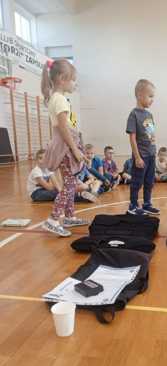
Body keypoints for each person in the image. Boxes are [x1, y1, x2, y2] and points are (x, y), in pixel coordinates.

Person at [41, 58, 89, 236]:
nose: (75, 83)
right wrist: (75, 149)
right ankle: (53, 220)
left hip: (65, 142)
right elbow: (63, 127)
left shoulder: (56, 98)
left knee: (71, 181)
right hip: (65, 145)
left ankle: (69, 216)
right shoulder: (59, 99)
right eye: (73, 79)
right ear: (62, 79)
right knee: (69, 185)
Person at [126, 79, 160, 215]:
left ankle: (146, 203)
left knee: (149, 182)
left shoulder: (149, 115)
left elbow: (150, 136)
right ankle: (133, 205)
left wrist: (154, 154)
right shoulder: (133, 115)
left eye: (153, 97)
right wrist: (138, 157)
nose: (152, 100)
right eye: (150, 96)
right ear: (140, 95)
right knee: (137, 181)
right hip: (141, 156)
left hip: (151, 155)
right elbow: (132, 138)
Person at [27, 149, 100, 203]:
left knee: (60, 195)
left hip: (44, 190)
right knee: (57, 194)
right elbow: (48, 187)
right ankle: (81, 194)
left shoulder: (48, 169)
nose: (43, 160)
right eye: (40, 158)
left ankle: (85, 198)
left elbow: (54, 181)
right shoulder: (36, 172)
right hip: (36, 193)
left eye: (45, 158)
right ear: (36, 160)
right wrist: (60, 191)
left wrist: (60, 190)